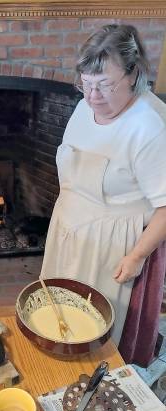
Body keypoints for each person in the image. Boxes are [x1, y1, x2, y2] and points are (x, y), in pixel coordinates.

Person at [41, 24, 166, 367]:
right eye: (86, 84)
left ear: (134, 74)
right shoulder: (87, 106)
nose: (93, 97)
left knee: (97, 331)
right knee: (62, 315)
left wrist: (138, 256)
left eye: (105, 86)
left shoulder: (149, 126)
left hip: (114, 247)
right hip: (73, 230)